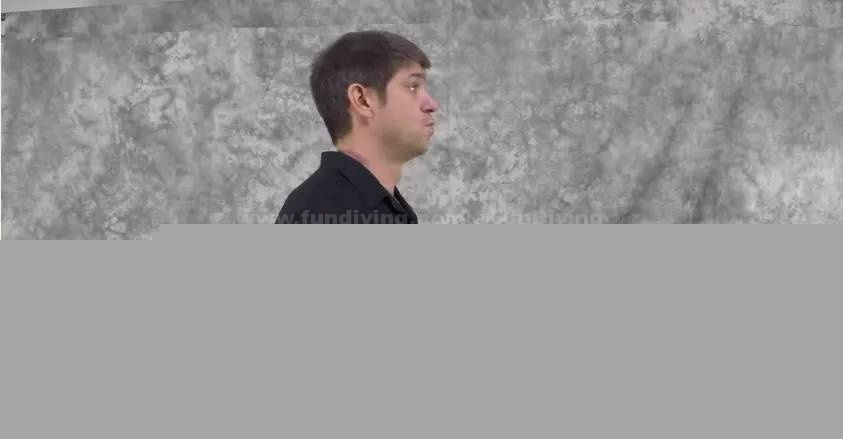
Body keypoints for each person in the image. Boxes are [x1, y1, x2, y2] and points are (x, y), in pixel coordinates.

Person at [275, 30, 439, 224]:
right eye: (413, 86)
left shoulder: (375, 208)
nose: (432, 105)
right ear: (362, 100)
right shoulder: (319, 213)